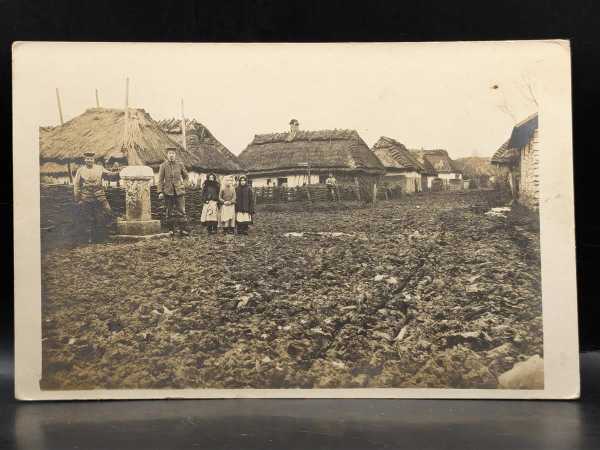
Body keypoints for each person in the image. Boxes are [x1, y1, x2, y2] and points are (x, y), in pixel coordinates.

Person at [73, 151, 120, 243]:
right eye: (87, 159)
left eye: (91, 159)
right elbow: (76, 185)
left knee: (108, 212)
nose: (89, 160)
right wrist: (77, 198)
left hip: (100, 196)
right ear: (85, 160)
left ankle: (106, 236)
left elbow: (110, 175)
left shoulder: (100, 168)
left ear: (93, 160)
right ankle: (89, 238)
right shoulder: (80, 170)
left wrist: (119, 173)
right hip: (86, 196)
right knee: (88, 217)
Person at [157, 146, 190, 236]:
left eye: (173, 153)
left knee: (181, 211)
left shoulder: (180, 164)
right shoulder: (163, 166)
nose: (171, 155)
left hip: (179, 191)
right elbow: (160, 180)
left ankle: (183, 230)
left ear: (175, 155)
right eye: (170, 153)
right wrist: (160, 192)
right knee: (169, 211)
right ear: (167, 155)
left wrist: (184, 185)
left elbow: (186, 177)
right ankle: (171, 230)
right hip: (168, 192)